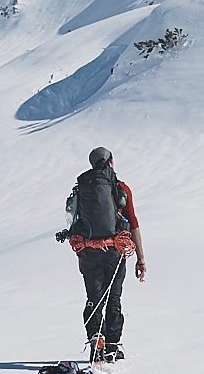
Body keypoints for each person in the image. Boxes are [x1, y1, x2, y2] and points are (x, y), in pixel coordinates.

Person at [57, 145, 146, 361]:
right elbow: (132, 221)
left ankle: (96, 339)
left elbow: (74, 223)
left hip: (88, 252)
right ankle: (112, 346)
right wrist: (141, 259)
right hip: (115, 251)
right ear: (110, 162)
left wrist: (80, 254)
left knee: (93, 298)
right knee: (113, 297)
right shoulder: (120, 188)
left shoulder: (81, 190)